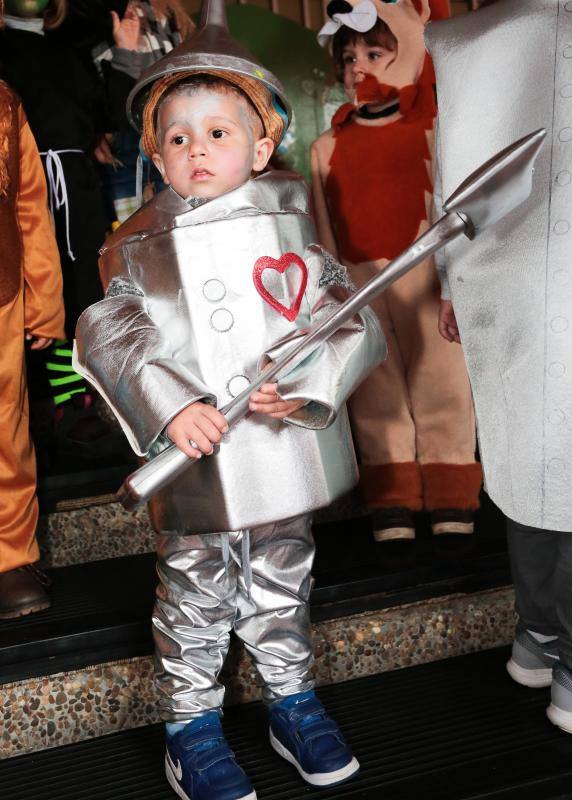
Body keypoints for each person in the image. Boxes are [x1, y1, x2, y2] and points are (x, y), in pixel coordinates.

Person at [73, 0, 386, 797]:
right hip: (201, 459)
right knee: (195, 588)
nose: (198, 150)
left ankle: (291, 698)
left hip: (279, 452)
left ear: (263, 143)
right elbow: (112, 328)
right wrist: (171, 402)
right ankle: (191, 724)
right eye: (177, 138)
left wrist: (312, 381)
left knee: (284, 575)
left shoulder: (290, 224)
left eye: (218, 132)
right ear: (155, 153)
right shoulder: (134, 241)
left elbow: (343, 310)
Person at [425, 0, 572, 734]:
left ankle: (540, 636)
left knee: (531, 459)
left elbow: (457, 176)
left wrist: (457, 279)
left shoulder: (477, 41)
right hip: (547, 274)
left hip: (511, 276)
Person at [311, 0, 482, 542]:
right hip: (359, 283)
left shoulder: (433, 128)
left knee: (443, 380)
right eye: (350, 56)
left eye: (375, 52)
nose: (359, 65)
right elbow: (319, 223)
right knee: (375, 392)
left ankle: (452, 487)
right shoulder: (326, 146)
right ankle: (391, 497)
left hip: (427, 275)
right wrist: (332, 291)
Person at [0, 0, 117, 457]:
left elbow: (100, 115)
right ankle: (49, 403)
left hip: (78, 186)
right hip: (22, 187)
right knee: (32, 291)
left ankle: (78, 400)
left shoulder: (71, 48)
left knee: (82, 289)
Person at [0, 78, 65, 618]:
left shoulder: (3, 104)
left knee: (5, 428)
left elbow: (29, 205)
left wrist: (43, 300)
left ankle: (10, 557)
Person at [93, 0, 194, 223]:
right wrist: (91, 130)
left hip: (171, 138)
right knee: (131, 235)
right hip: (123, 146)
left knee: (181, 226)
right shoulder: (90, 12)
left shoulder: (166, 11)